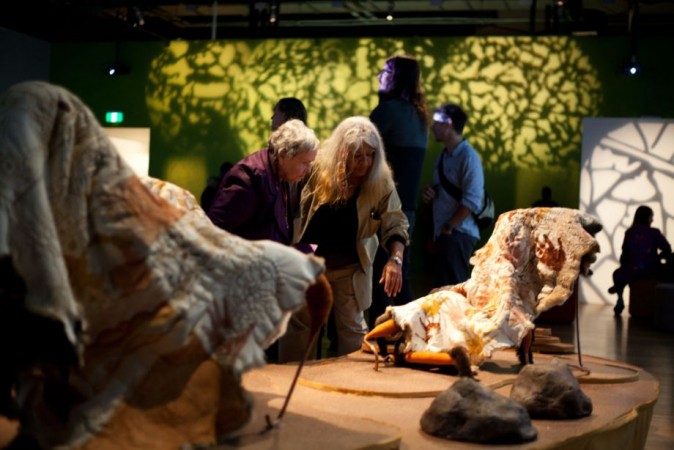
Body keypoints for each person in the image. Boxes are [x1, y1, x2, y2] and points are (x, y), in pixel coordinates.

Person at [295, 116, 409, 356]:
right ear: (342, 151)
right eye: (358, 156)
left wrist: (395, 260)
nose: (364, 163)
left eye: (370, 155)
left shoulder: (380, 180)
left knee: (352, 334)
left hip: (349, 267)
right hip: (310, 266)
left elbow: (395, 221)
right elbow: (300, 217)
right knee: (302, 330)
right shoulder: (318, 172)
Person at [368, 54, 428, 327]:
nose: (380, 76)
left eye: (385, 71)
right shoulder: (419, 116)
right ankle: (413, 332)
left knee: (378, 280)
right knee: (400, 276)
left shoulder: (386, 113)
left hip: (383, 209)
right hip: (409, 210)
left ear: (395, 77)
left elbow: (364, 158)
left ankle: (374, 339)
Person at [422, 103, 485, 288]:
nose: (433, 127)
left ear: (448, 124)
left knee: (455, 289)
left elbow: (473, 200)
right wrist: (432, 196)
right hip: (445, 233)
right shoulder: (444, 156)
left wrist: (449, 227)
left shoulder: (468, 156)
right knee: (445, 289)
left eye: (436, 122)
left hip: (458, 233)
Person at [608, 205, 672, 316]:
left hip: (631, 270)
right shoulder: (654, 232)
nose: (652, 220)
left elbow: (624, 254)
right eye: (651, 217)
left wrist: (626, 265)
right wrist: (659, 258)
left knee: (618, 274)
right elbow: (667, 248)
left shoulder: (629, 232)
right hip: (650, 270)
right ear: (647, 218)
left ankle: (620, 298)